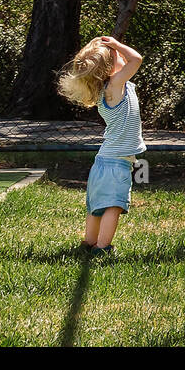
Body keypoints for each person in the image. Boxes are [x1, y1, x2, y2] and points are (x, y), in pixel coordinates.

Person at [56, 35, 146, 257]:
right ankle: (103, 247)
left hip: (104, 162)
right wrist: (116, 44)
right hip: (116, 163)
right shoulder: (115, 85)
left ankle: (89, 242)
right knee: (113, 206)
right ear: (109, 68)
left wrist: (114, 50)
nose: (122, 56)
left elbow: (131, 63)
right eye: (117, 56)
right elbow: (137, 59)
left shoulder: (113, 88)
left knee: (96, 207)